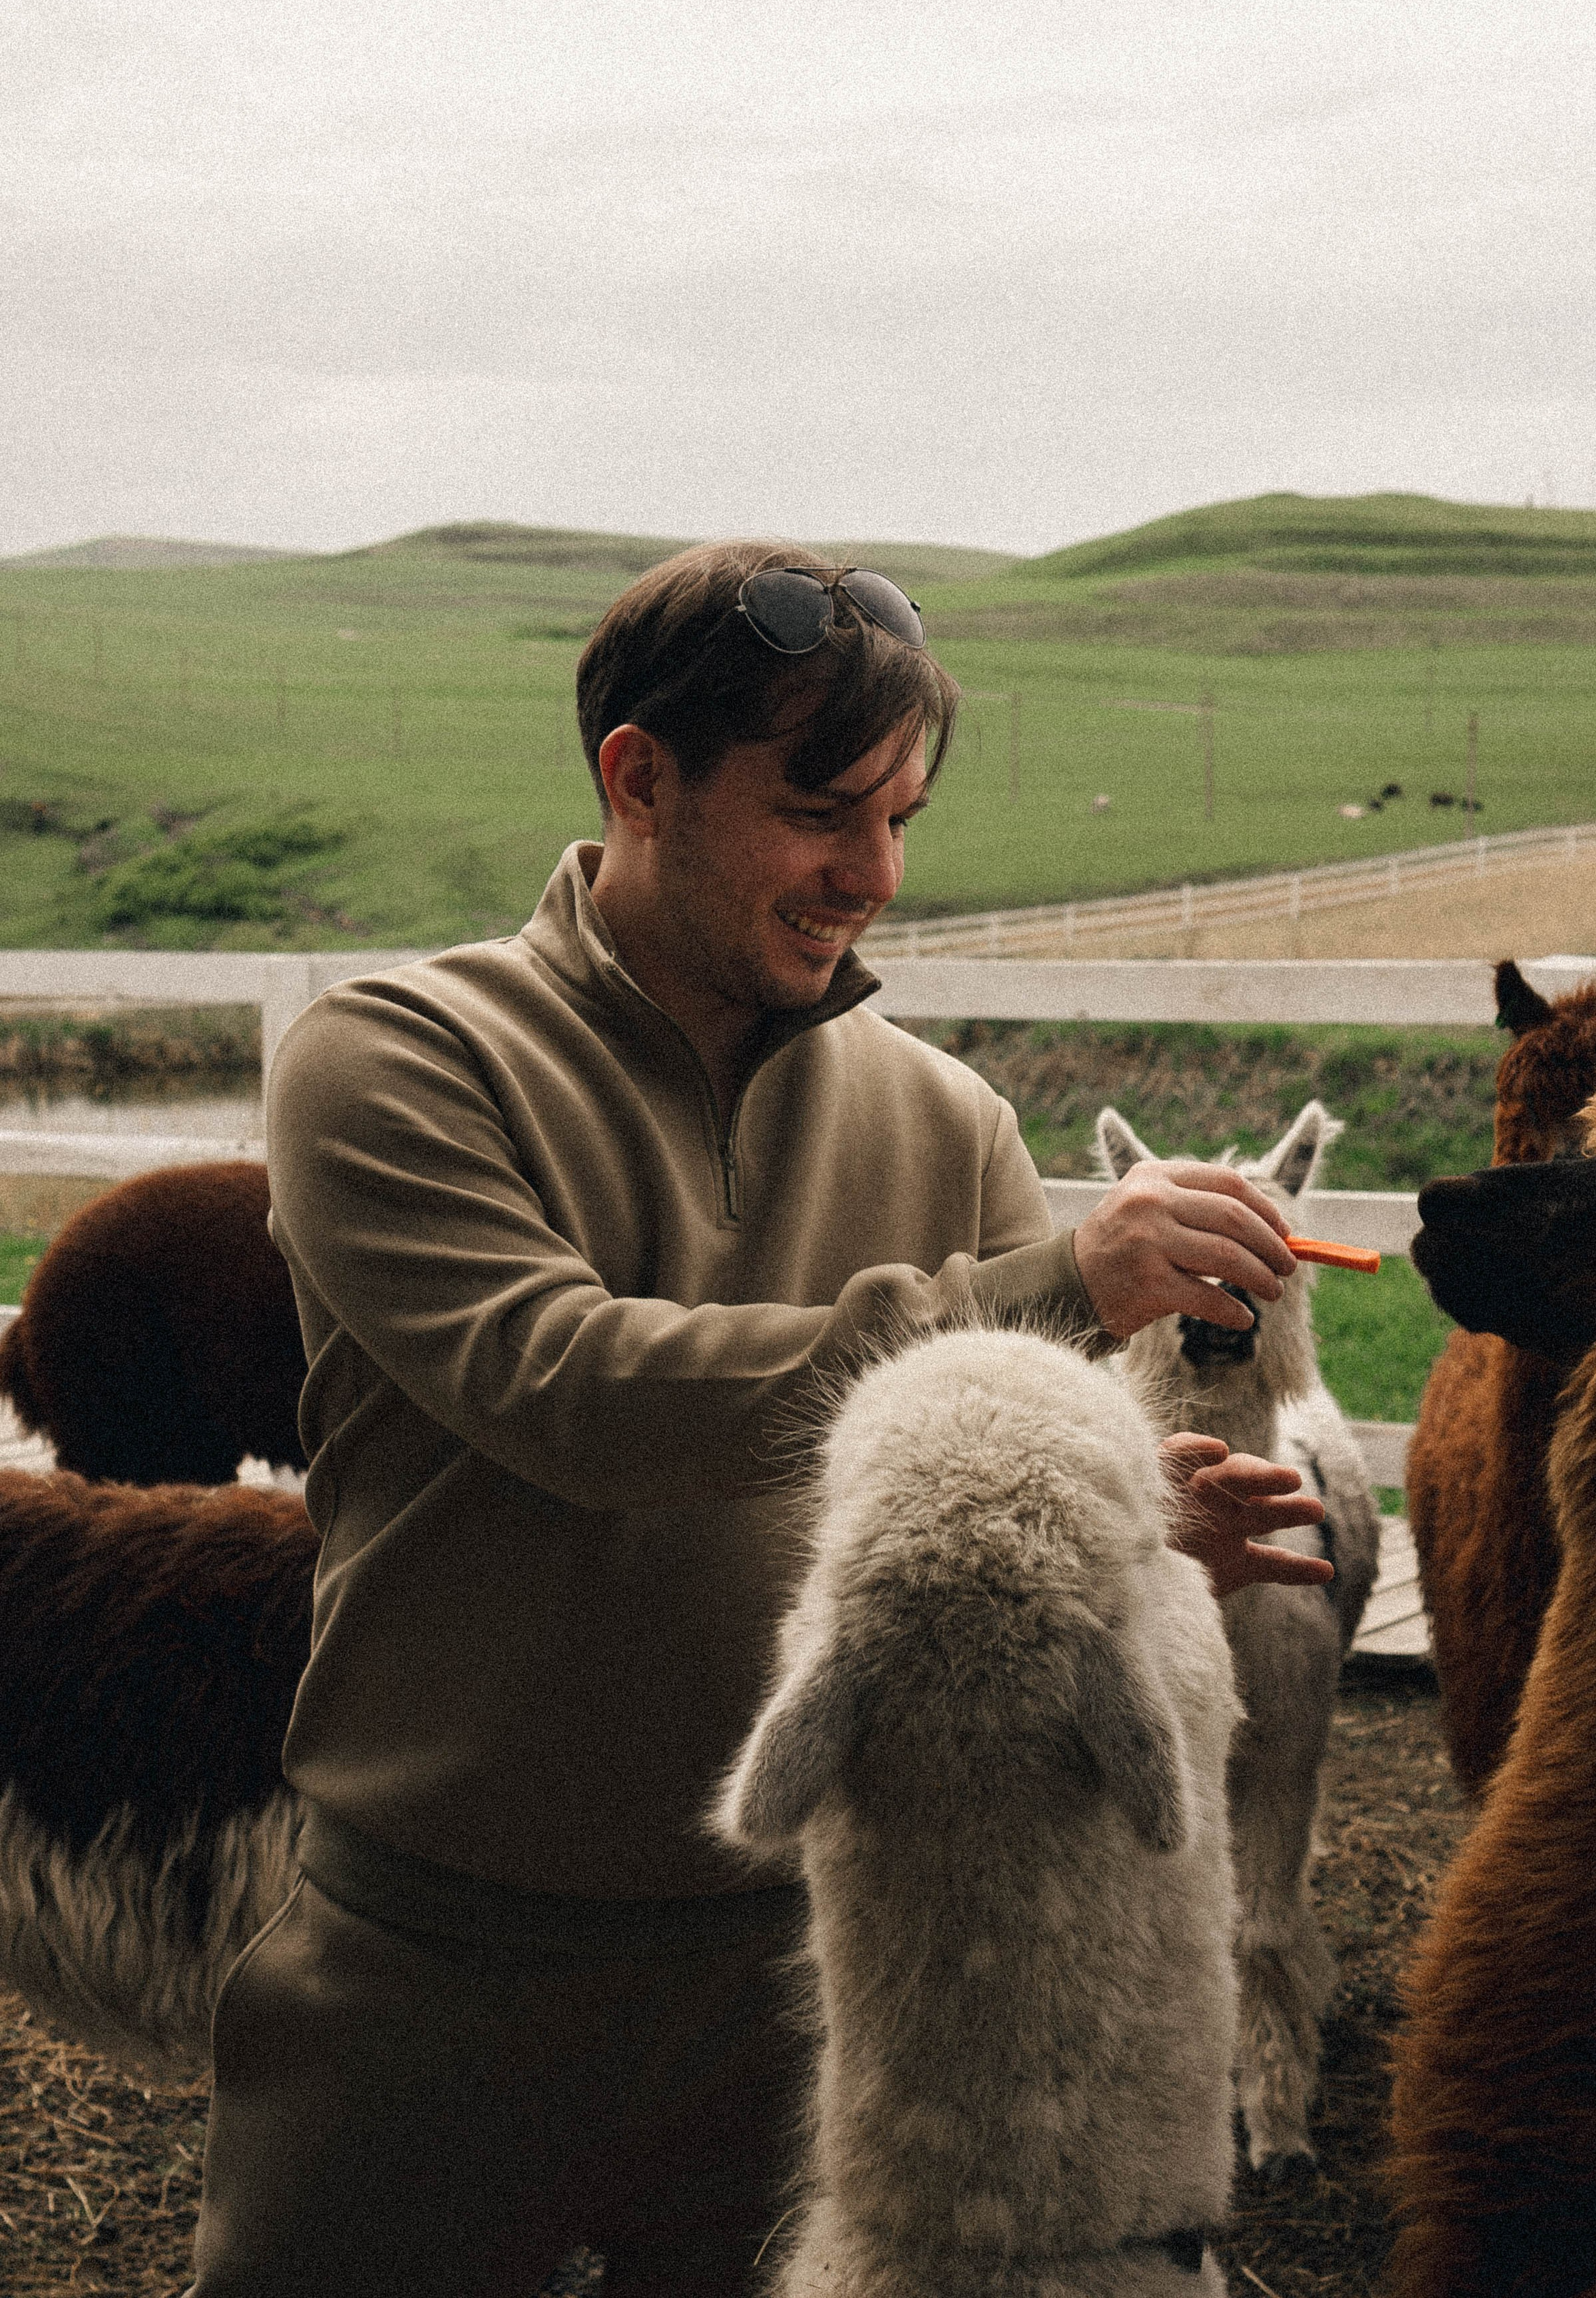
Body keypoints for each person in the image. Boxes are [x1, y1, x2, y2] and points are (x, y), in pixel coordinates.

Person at [186, 541, 1331, 2298]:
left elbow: (979, 1500)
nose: (871, 874)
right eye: (818, 810)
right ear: (637, 778)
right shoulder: (395, 1057)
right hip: (430, 1967)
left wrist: (1135, 1527)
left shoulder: (948, 1123)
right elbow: (572, 1391)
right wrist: (1050, 1286)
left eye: (901, 821)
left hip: (820, 1982)